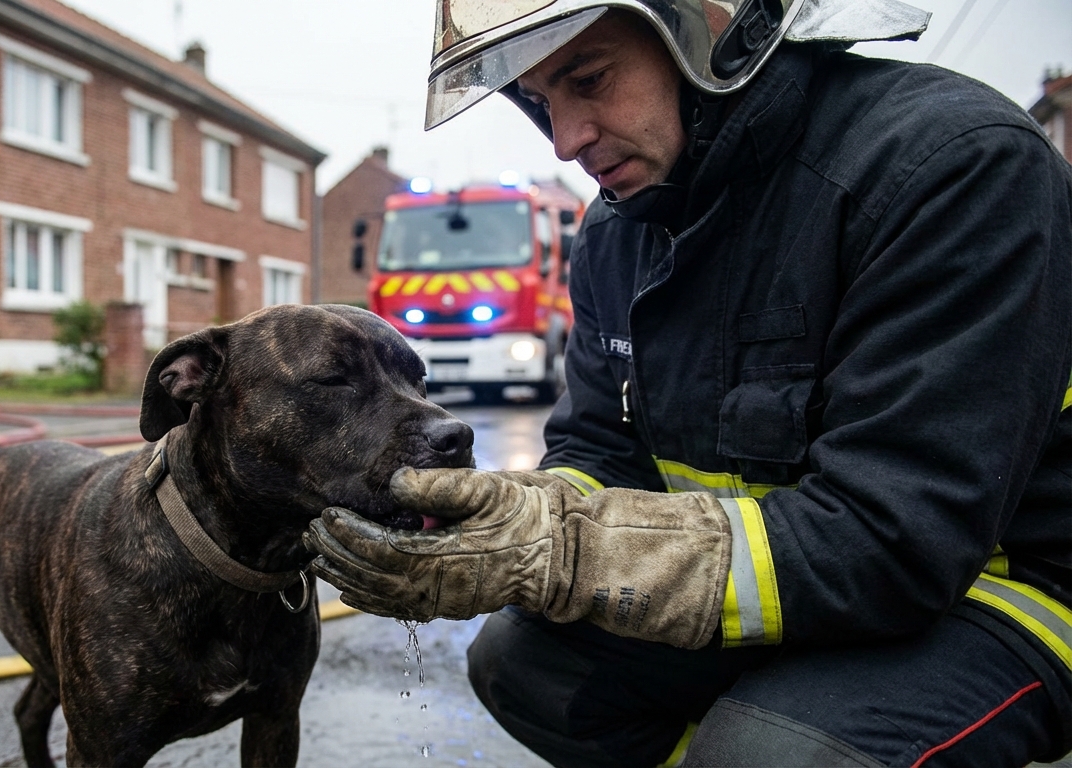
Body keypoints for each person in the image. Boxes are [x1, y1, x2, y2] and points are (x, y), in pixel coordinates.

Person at [305, 1, 1072, 766]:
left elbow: (895, 543)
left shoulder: (949, 167)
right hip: (798, 585)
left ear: (712, 29)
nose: (568, 139)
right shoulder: (616, 231)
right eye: (542, 103)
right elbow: (602, 449)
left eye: (590, 78)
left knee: (769, 755)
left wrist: (566, 554)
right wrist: (512, 522)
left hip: (996, 586)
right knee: (526, 663)